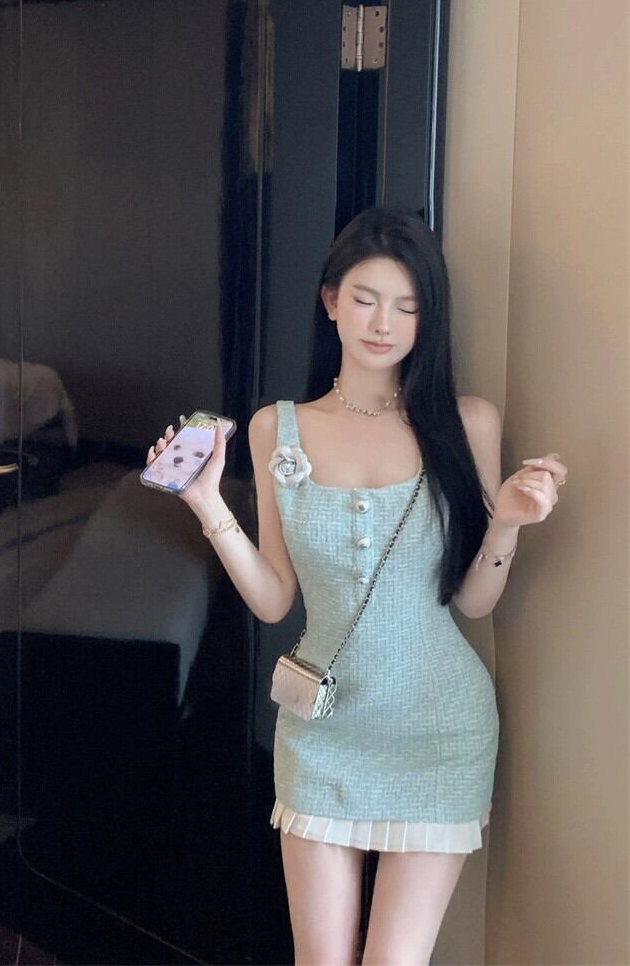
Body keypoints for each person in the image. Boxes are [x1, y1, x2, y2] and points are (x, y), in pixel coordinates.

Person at [146, 206, 568, 965]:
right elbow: (275, 598)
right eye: (367, 299)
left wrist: (505, 522)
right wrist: (207, 502)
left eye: (408, 306)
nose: (384, 323)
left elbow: (473, 602)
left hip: (439, 730)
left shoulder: (466, 422)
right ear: (331, 300)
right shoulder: (277, 428)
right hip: (323, 732)